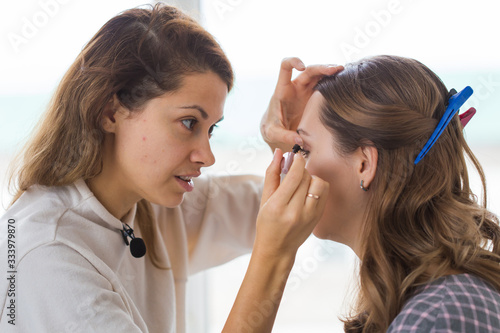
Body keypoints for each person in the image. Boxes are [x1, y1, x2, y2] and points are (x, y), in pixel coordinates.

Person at [0, 3, 338, 332]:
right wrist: (273, 258)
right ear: (108, 112)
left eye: (211, 129)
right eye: (189, 122)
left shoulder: (146, 203)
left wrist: (289, 147)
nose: (207, 156)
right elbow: (274, 229)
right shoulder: (47, 257)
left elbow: (278, 212)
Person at [261, 54, 500, 332]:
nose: (290, 167)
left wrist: (271, 253)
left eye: (303, 150)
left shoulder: (438, 317)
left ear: (364, 164)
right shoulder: (438, 303)